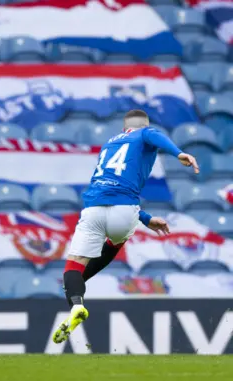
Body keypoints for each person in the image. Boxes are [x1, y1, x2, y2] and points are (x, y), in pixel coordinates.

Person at [52, 109, 199, 344]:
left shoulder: (107, 146)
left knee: (73, 267)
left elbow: (110, 185)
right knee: (115, 241)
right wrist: (179, 153)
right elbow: (154, 136)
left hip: (93, 209)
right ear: (144, 125)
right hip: (125, 210)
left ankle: (76, 301)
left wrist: (146, 218)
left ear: (124, 127)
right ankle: (76, 287)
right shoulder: (144, 134)